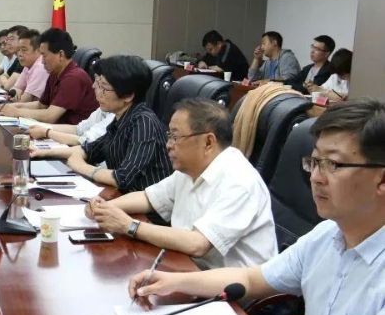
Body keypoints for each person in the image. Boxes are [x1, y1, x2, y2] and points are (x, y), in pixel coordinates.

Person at [128, 99, 385, 315]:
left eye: (332, 164)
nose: (315, 177)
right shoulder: (326, 236)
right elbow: (251, 278)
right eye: (314, 162)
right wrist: (174, 281)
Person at [87, 98, 276, 269]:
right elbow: (148, 198)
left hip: (231, 290)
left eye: (175, 137)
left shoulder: (239, 181)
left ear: (208, 142)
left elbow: (198, 243)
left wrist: (129, 225)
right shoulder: (190, 168)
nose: (168, 144)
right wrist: (105, 208)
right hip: (187, 267)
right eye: (169, 136)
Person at [34, 54, 173, 193]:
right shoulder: (121, 118)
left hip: (141, 204)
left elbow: (123, 177)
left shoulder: (144, 123)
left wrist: (82, 167)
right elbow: (90, 150)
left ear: (128, 95)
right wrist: (42, 152)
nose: (96, 90)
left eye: (104, 88)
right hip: (120, 196)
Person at [0, 28, 98, 125]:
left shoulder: (73, 78)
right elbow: (41, 105)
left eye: (44, 55)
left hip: (72, 134)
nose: (42, 61)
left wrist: (17, 112)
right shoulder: (55, 73)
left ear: (61, 55)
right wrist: (10, 107)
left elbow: (50, 116)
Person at [11, 29, 49, 103]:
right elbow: (14, 89)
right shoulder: (28, 65)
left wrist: (19, 95)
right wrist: (17, 93)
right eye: (18, 50)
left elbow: (25, 100)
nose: (19, 54)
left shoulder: (41, 67)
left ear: (39, 50)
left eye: (24, 50)